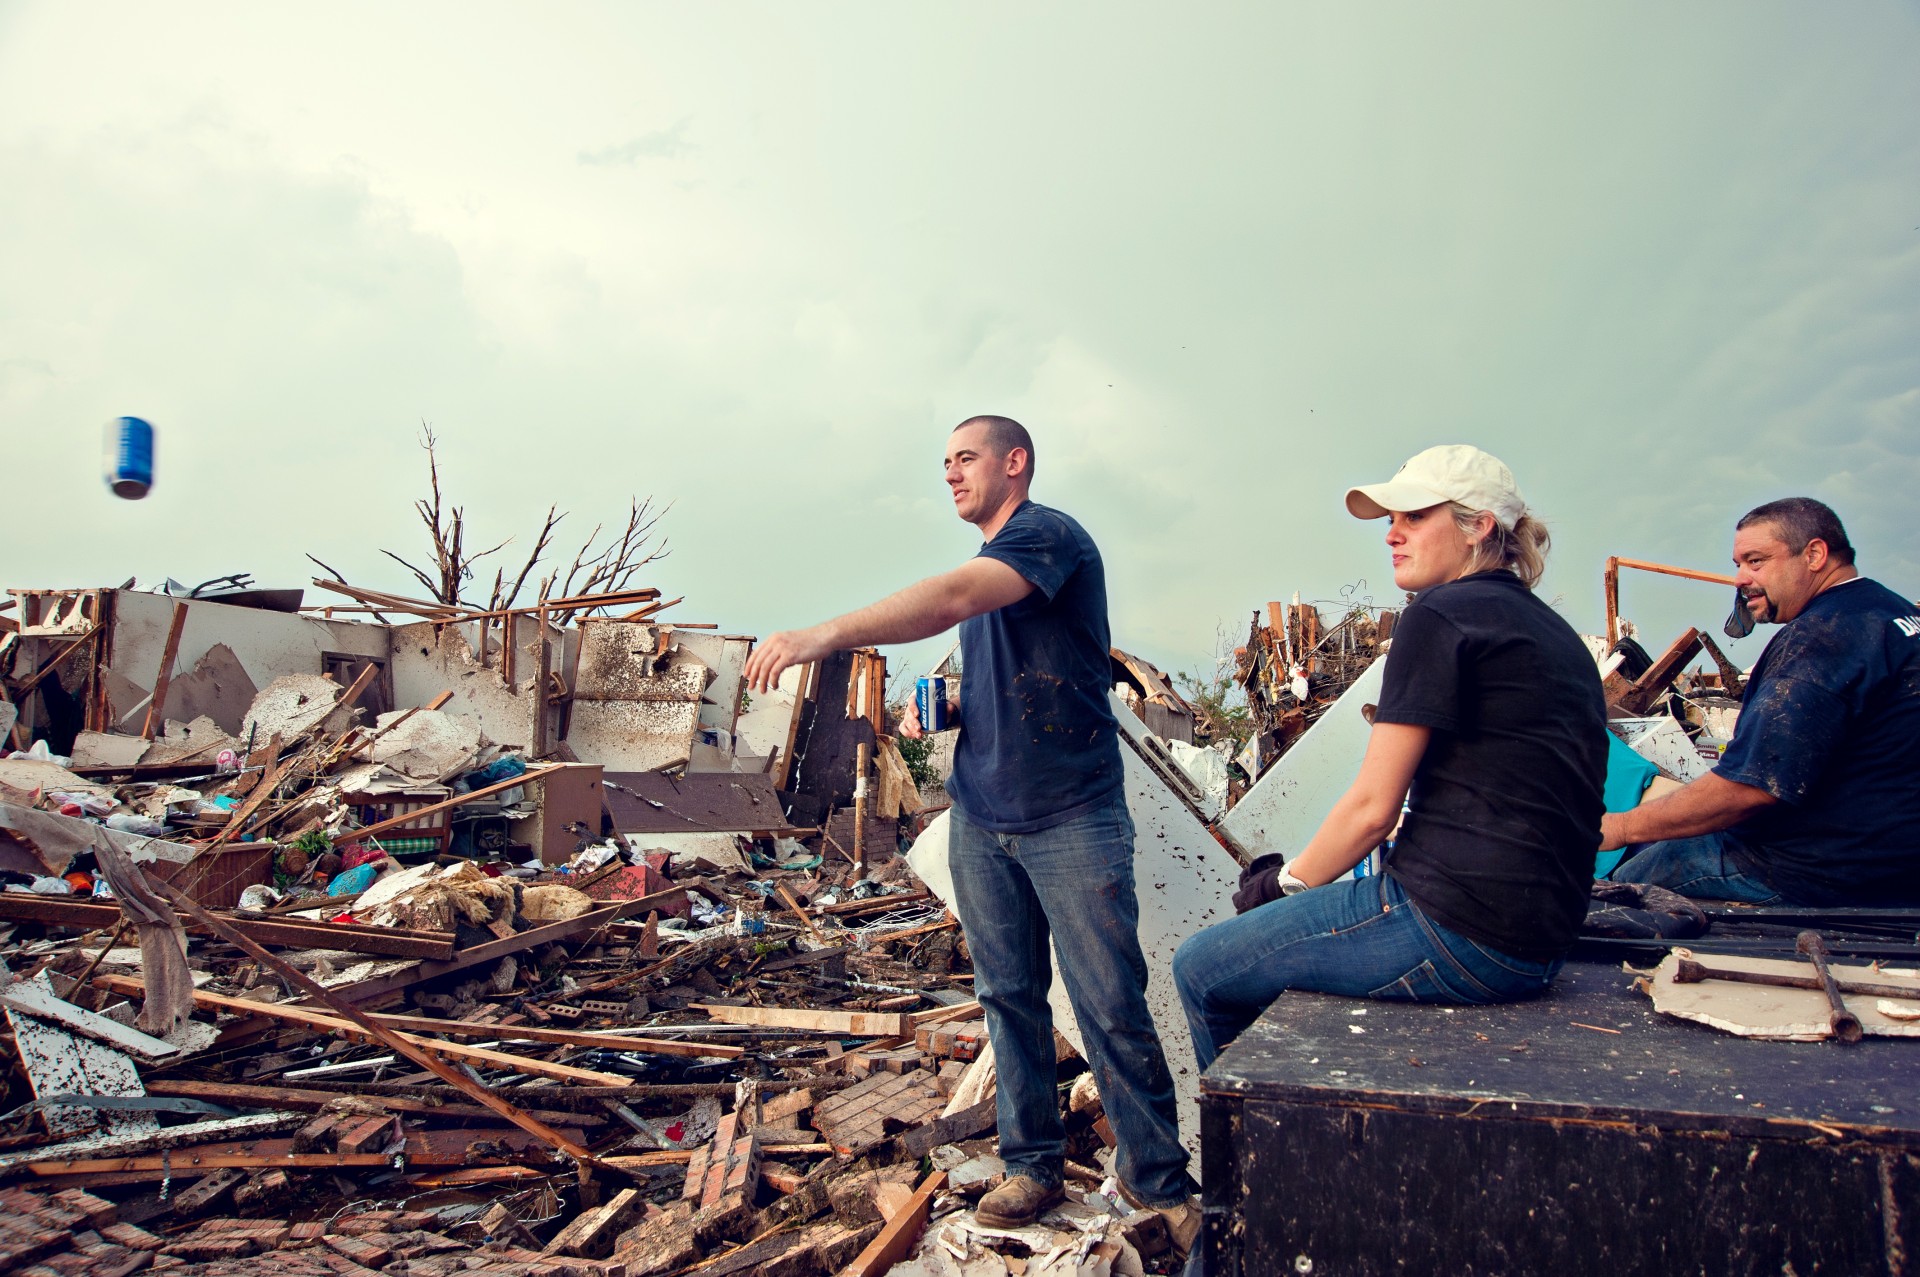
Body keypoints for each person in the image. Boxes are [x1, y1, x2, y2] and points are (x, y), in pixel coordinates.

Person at [743, 415, 1197, 1246]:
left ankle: (1159, 1181)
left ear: (1014, 462)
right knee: (1007, 996)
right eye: (943, 461)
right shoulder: (1000, 569)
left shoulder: (1045, 536)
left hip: (1072, 818)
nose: (950, 473)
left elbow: (952, 594)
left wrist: (823, 634)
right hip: (982, 818)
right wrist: (956, 707)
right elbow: (1010, 660)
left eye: (966, 458)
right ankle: (1032, 1165)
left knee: (1106, 1000)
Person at [1173, 445, 1606, 1071]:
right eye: (1389, 521)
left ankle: (1261, 1161)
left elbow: (1373, 810)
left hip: (1461, 930)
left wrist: (1283, 885)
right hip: (1540, 935)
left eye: (1413, 517)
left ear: (1478, 525)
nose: (1392, 535)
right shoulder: (1552, 631)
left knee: (1204, 968)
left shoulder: (1440, 615)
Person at [1602, 498, 1920, 906]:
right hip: (1891, 856)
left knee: (1624, 887)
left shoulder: (1820, 639)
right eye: (1738, 563)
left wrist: (1620, 827)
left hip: (1813, 868)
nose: (1740, 578)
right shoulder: (1889, 612)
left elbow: (1751, 789)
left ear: (1815, 555)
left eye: (1756, 561)